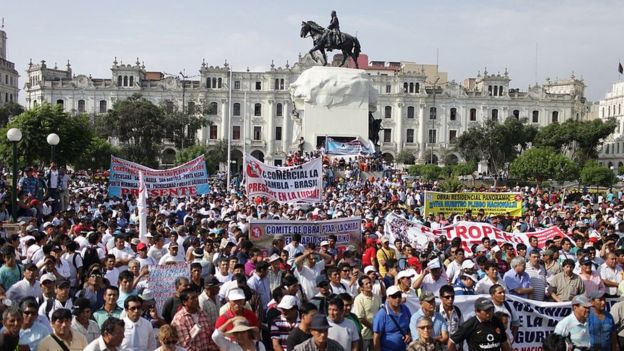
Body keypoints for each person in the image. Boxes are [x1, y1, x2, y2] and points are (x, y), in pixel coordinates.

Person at [373, 285, 411, 351]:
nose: (397, 298)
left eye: (399, 295)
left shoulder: (405, 308)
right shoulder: (382, 314)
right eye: (394, 296)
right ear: (388, 298)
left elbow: (410, 326)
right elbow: (376, 336)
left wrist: (409, 335)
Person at [353, 275, 382, 351]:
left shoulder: (377, 297)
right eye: (366, 284)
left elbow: (381, 312)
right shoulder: (359, 299)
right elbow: (360, 318)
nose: (369, 285)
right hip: (365, 335)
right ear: (361, 287)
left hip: (378, 333)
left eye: (370, 283)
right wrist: (373, 327)